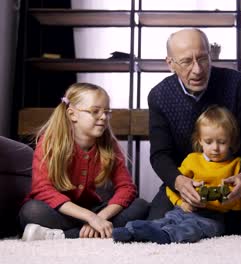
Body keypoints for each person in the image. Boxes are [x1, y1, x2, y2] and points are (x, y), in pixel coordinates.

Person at [147, 28, 241, 235]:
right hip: (185, 182)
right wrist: (180, 183)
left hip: (229, 183)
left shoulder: (236, 83)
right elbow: (160, 155)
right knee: (158, 223)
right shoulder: (158, 95)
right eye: (186, 62)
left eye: (203, 59)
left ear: (211, 55)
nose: (198, 70)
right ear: (170, 63)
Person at [19, 83, 148, 241]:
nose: (103, 117)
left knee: (140, 206)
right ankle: (97, 232)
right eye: (95, 111)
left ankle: (63, 236)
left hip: (95, 210)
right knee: (31, 211)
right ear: (72, 114)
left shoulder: (108, 144)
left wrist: (100, 217)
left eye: (107, 112)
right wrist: (90, 218)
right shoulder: (49, 142)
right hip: (63, 212)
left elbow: (127, 188)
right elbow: (43, 189)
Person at [113, 106, 241, 243]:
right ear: (200, 140)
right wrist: (181, 203)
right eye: (208, 142)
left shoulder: (238, 165)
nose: (215, 148)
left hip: (214, 217)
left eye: (222, 142)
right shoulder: (192, 160)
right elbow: (172, 185)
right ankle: (131, 231)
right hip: (185, 209)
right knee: (166, 219)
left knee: (193, 229)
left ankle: (167, 235)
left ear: (231, 140)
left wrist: (231, 201)